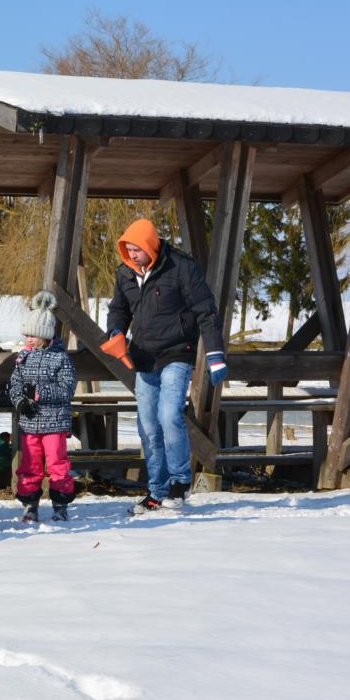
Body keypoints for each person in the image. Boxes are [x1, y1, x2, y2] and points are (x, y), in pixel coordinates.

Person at [103, 218, 227, 515]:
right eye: (127, 249)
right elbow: (118, 309)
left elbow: (206, 310)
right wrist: (115, 331)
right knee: (148, 426)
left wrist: (215, 353)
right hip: (144, 357)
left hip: (177, 353)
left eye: (136, 249)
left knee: (169, 415)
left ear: (149, 246)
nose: (131, 255)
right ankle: (156, 491)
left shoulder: (181, 267)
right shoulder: (125, 273)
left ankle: (180, 482)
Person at [9, 290, 77, 523]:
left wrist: (41, 394)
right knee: (30, 464)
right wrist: (20, 401)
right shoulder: (23, 357)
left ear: (46, 336)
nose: (29, 339)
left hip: (54, 422)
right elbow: (15, 384)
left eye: (34, 335)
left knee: (57, 463)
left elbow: (67, 388)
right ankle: (30, 504)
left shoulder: (61, 358)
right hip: (30, 423)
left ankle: (60, 504)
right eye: (27, 334)